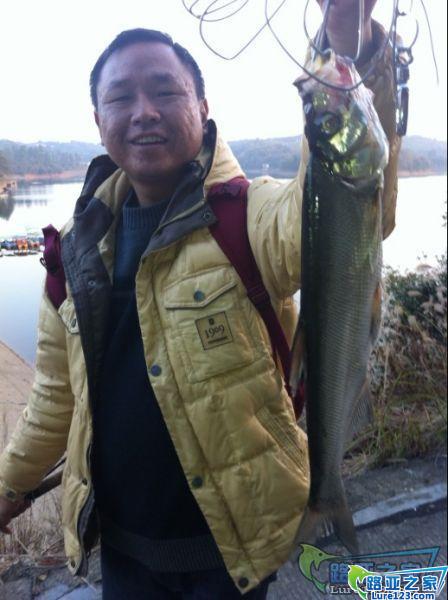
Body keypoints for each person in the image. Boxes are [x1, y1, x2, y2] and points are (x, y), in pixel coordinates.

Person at [0, 1, 400, 597]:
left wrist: (351, 42)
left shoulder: (249, 214)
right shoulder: (74, 256)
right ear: (98, 120)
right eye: (121, 98)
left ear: (204, 107)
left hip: (231, 559)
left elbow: (352, 202)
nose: (144, 112)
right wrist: (9, 489)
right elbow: (55, 400)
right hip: (123, 557)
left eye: (166, 91)